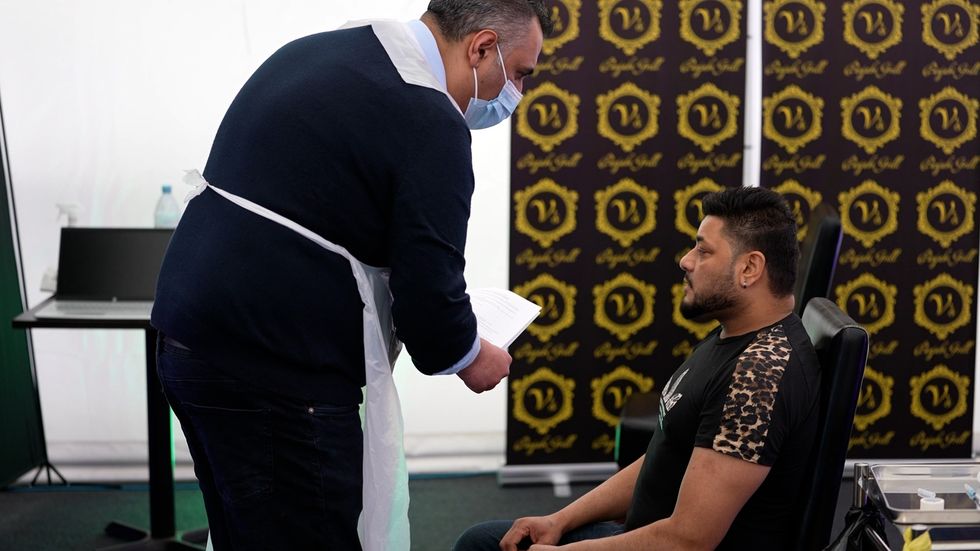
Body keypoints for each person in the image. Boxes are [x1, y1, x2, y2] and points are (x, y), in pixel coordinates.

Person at [150, 2, 552, 550]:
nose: (518, 94)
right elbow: (429, 306)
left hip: (190, 337)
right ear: (482, 48)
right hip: (273, 363)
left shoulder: (323, 51)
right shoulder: (429, 119)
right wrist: (471, 355)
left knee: (247, 532)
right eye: (521, 74)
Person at [453, 186, 822, 550]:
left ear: (749, 268)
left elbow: (688, 541)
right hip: (645, 532)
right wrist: (559, 520)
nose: (687, 260)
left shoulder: (757, 377)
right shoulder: (733, 334)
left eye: (704, 250)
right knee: (482, 541)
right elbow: (664, 457)